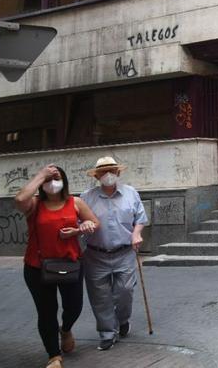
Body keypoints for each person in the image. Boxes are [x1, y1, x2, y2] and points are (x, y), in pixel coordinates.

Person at [15, 165, 100, 368]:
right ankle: (54, 355)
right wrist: (40, 175)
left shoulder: (75, 202)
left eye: (56, 178)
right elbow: (19, 200)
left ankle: (66, 329)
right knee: (46, 311)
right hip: (37, 266)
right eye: (48, 179)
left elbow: (95, 223)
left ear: (64, 181)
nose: (52, 182)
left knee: (74, 306)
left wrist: (80, 230)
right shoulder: (34, 204)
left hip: (70, 263)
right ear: (42, 184)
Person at [80, 157, 149, 351]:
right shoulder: (86, 197)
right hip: (95, 255)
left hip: (125, 253)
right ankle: (107, 333)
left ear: (118, 173)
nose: (108, 175)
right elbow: (78, 221)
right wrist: (83, 225)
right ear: (97, 176)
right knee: (100, 297)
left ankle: (122, 320)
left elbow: (140, 218)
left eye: (111, 170)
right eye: (103, 172)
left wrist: (136, 234)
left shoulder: (131, 194)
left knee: (125, 291)